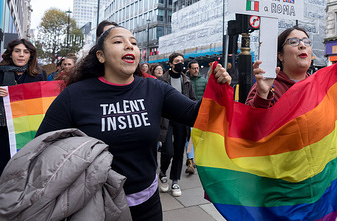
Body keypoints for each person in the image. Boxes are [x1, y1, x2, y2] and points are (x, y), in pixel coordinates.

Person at [36, 27, 231, 220]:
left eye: (134, 43)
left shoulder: (154, 88)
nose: (129, 46)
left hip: (148, 206)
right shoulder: (74, 95)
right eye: (118, 41)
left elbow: (196, 115)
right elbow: (42, 149)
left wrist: (218, 87)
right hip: (95, 208)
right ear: (100, 55)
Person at [0, 39, 46, 175]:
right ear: (10, 54)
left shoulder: (38, 74)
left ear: (30, 56)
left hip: (27, 129)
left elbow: (42, 101)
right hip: (3, 128)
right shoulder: (1, 72)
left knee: (23, 166)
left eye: (26, 52)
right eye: (17, 51)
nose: (21, 55)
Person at [159, 53, 197, 196]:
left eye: (182, 61)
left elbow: (192, 99)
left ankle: (175, 180)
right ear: (171, 64)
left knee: (179, 152)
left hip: (182, 120)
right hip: (166, 120)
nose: (180, 63)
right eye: (177, 61)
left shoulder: (186, 80)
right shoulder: (162, 80)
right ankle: (163, 172)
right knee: (168, 151)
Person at [246, 26, 312, 108]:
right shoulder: (268, 84)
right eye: (294, 42)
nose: (302, 45)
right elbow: (249, 118)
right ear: (280, 55)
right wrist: (262, 95)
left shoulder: (319, 85)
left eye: (306, 42)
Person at [185, 60, 207, 174]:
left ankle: (194, 158)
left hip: (202, 113)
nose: (196, 70)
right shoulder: (186, 81)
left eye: (197, 68)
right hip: (189, 112)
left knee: (198, 138)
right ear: (189, 69)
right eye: (193, 68)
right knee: (190, 138)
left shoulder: (204, 81)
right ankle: (190, 160)